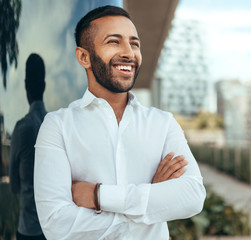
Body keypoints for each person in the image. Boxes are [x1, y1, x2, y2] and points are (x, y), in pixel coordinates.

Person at [34, 5, 206, 240]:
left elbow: (193, 196)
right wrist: (151, 202)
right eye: (114, 42)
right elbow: (57, 225)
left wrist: (99, 197)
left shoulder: (163, 123)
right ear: (84, 57)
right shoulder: (57, 126)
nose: (129, 53)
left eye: (134, 43)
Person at [10, 53, 46, 240]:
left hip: (29, 230)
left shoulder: (22, 128)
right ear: (44, 87)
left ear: (26, 87)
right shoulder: (54, 126)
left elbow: (14, 186)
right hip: (52, 229)